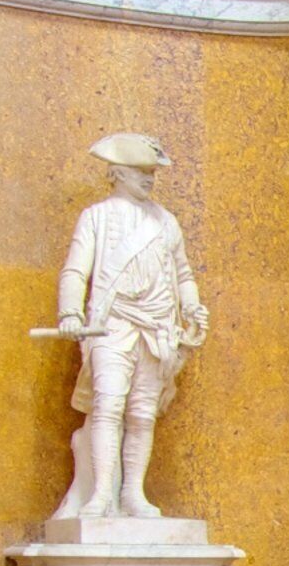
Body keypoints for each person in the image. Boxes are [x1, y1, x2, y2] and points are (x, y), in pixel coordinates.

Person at [44, 132, 209, 522]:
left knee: (142, 413)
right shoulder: (96, 217)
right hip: (112, 324)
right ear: (117, 173)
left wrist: (191, 307)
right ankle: (101, 494)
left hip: (156, 327)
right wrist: (70, 314)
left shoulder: (166, 222)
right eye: (141, 171)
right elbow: (75, 270)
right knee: (108, 405)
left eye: (152, 172)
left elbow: (183, 274)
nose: (149, 179)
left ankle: (133, 492)